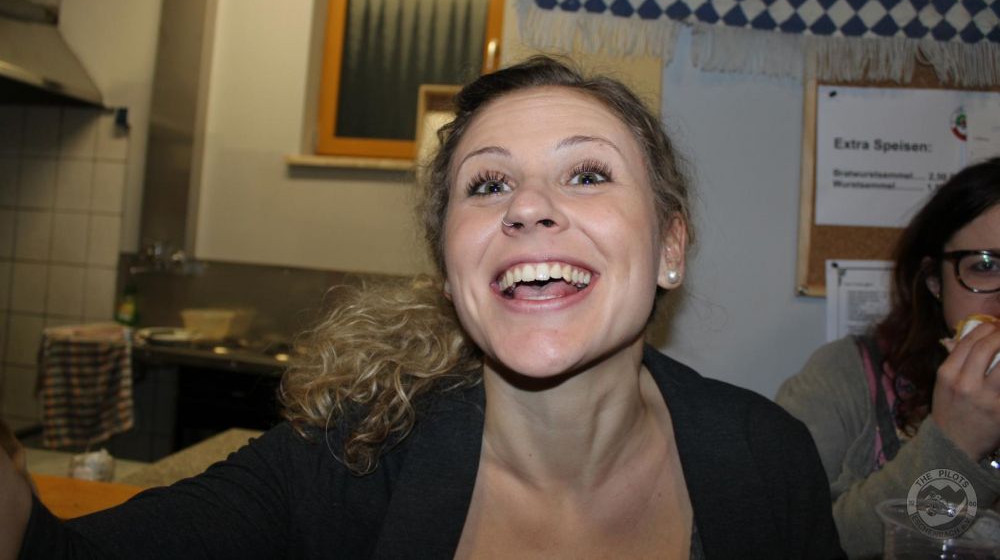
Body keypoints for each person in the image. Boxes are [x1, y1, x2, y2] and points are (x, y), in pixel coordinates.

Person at [1, 56, 843, 559]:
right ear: (449, 269)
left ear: (670, 246)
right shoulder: (348, 461)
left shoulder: (767, 460)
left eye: (587, 173)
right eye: (489, 184)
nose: (528, 205)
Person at [776, 157, 1000, 558]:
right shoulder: (843, 379)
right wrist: (955, 445)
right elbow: (789, 541)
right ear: (934, 280)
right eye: (985, 266)